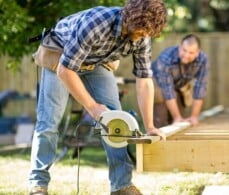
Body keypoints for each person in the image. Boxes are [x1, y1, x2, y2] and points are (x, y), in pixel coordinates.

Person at [28, 0, 167, 195]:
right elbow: (65, 70)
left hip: (95, 62)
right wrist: (92, 107)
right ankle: (38, 184)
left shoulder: (143, 35)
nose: (142, 37)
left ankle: (121, 185)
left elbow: (144, 80)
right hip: (61, 57)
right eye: (140, 31)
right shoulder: (96, 24)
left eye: (146, 33)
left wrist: (150, 126)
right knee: (49, 120)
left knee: (117, 122)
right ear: (129, 18)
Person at [151, 34, 209, 127]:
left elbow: (200, 88)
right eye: (184, 50)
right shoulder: (166, 58)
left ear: (197, 52)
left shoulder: (202, 59)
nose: (186, 55)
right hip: (157, 83)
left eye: (191, 52)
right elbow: (167, 90)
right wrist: (177, 117)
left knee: (181, 119)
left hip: (178, 84)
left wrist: (194, 116)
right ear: (180, 47)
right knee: (162, 119)